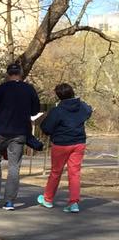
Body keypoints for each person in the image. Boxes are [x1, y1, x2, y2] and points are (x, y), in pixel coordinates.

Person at [0, 62, 41, 210]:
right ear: (21, 73)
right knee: (14, 167)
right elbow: (35, 111)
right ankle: (9, 202)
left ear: (8, 74)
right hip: (20, 133)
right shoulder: (29, 90)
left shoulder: (0, 89)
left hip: (0, 131)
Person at [37, 82, 93, 213]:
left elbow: (46, 127)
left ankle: (48, 199)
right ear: (72, 92)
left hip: (61, 144)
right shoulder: (82, 106)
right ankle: (74, 203)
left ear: (59, 96)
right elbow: (89, 111)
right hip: (79, 143)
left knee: (56, 172)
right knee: (74, 174)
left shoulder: (58, 111)